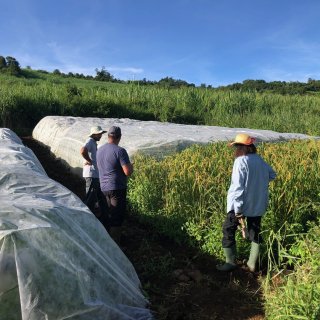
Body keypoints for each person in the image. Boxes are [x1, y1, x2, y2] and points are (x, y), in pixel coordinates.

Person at [216, 133, 276, 272]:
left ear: (242, 148)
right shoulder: (259, 160)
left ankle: (230, 263)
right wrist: (258, 184)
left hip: (239, 204)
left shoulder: (241, 161)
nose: (235, 150)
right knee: (255, 231)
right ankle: (251, 264)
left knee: (228, 230)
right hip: (257, 204)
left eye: (236, 147)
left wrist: (237, 210)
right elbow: (272, 174)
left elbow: (237, 187)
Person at [96, 126, 133, 243]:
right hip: (116, 188)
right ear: (119, 137)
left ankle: (105, 238)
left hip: (103, 187)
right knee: (117, 215)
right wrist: (131, 165)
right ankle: (115, 243)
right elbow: (127, 171)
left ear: (108, 136)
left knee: (107, 213)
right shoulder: (120, 151)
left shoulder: (100, 150)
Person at [80, 126, 109, 229]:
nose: (101, 135)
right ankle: (85, 222)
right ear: (94, 134)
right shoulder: (90, 141)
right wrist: (89, 160)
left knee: (100, 198)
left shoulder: (93, 143)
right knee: (90, 199)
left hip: (95, 175)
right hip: (91, 175)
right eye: (100, 134)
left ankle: (103, 220)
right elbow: (83, 150)